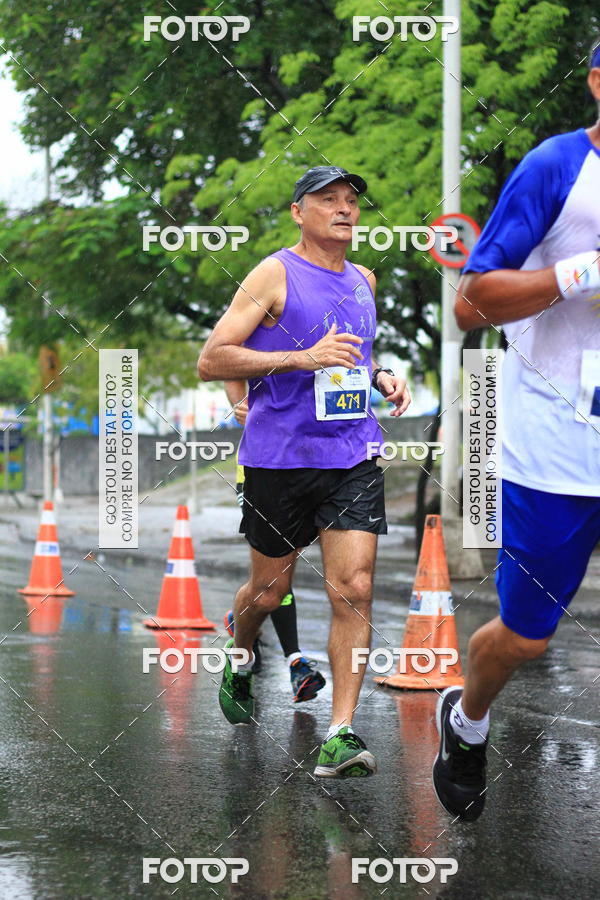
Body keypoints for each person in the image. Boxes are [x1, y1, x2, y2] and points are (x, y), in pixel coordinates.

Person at [433, 42, 600, 820]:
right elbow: (473, 302)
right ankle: (467, 720)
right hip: (556, 447)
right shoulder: (554, 167)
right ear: (597, 81)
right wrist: (582, 271)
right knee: (526, 639)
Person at [199, 165, 411, 777]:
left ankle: (341, 733)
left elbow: (351, 359)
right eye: (328, 201)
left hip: (351, 453)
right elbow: (213, 358)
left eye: (351, 201)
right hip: (279, 459)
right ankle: (241, 654)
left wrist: (379, 377)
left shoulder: (365, 279)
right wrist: (300, 360)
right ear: (299, 212)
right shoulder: (274, 272)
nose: (344, 210)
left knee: (356, 587)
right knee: (268, 592)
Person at [223, 378, 326, 703]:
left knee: (279, 578)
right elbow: (227, 359)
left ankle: (242, 617)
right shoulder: (262, 327)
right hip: (265, 468)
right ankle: (295, 662)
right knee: (279, 572)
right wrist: (240, 403)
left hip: (324, 464)